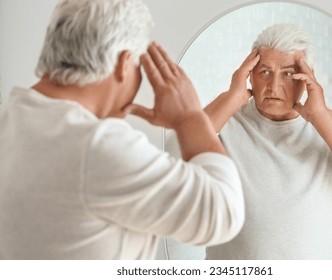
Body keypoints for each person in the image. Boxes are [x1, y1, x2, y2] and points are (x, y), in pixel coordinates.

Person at [0, 0, 245, 260]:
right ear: (124, 63)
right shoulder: (94, 145)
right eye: (138, 66)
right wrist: (189, 118)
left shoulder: (8, 117)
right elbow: (224, 213)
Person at [202, 23, 332, 259]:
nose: (274, 86)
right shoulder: (225, 120)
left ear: (306, 78)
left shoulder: (327, 126)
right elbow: (175, 161)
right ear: (249, 75)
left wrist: (319, 116)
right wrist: (230, 98)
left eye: (288, 73)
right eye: (264, 72)